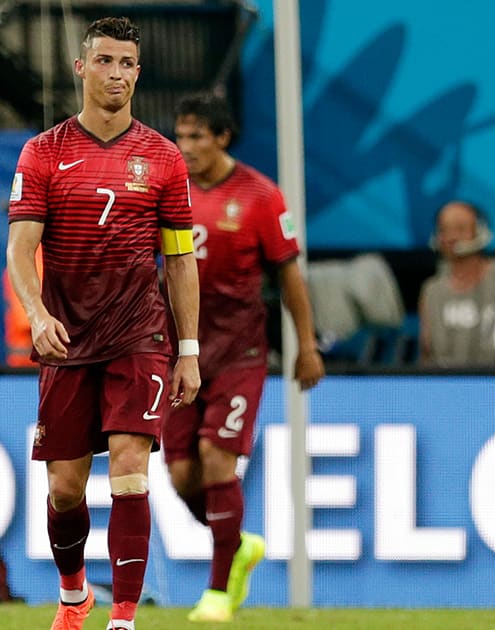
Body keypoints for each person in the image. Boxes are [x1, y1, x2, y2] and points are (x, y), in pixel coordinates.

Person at [6, 16, 200, 630]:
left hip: (140, 336)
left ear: (138, 73)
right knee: (65, 489)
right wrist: (36, 315)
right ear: (81, 68)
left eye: (127, 64)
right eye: (105, 61)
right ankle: (73, 596)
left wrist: (188, 348)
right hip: (66, 337)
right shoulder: (44, 151)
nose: (116, 74)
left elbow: (178, 259)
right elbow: (19, 248)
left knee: (130, 474)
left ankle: (122, 619)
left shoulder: (164, 159)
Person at [165, 93, 325, 623]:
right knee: (183, 477)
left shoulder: (259, 196)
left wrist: (306, 345)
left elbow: (289, 275)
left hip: (240, 352)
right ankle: (238, 547)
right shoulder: (171, 189)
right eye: (181, 136)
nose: (185, 147)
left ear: (222, 137)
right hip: (180, 353)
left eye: (196, 137)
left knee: (216, 459)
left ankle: (217, 593)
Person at [418, 200, 495, 367]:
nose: (451, 237)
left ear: (480, 231)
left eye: (460, 229)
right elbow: (426, 353)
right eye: (444, 230)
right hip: (447, 387)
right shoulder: (431, 292)